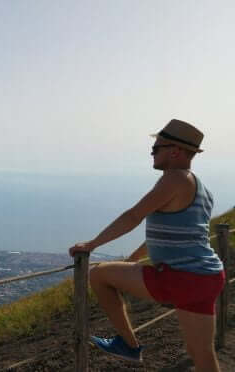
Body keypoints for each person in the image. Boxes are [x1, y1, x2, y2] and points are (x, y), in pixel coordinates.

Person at [69, 119, 224, 371]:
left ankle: (128, 346)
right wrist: (133, 259)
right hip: (207, 276)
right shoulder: (201, 188)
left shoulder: (174, 179)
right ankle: (128, 346)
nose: (152, 153)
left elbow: (133, 216)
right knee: (203, 355)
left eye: (156, 149)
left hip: (182, 278)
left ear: (174, 151)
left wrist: (92, 244)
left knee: (98, 275)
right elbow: (173, 235)